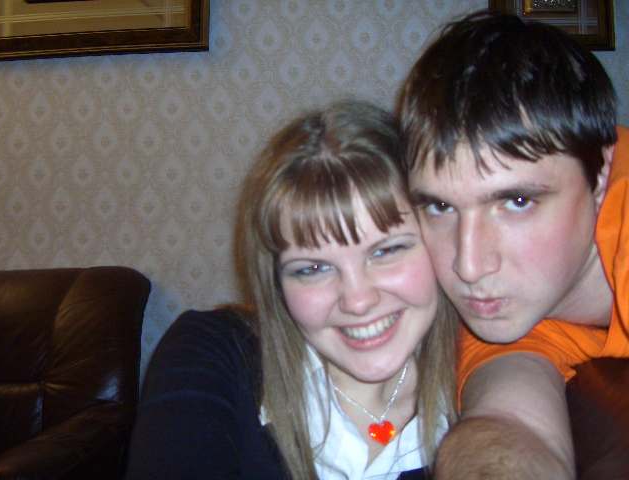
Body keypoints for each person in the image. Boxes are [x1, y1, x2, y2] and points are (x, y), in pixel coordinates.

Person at [124, 100, 459, 479]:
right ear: (277, 283)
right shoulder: (213, 354)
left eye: (386, 250)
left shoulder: (489, 390)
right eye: (313, 268)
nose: (358, 300)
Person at [397, 9, 628, 479]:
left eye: (517, 201)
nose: (469, 266)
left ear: (600, 173)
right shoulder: (513, 305)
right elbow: (507, 430)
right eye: (440, 207)